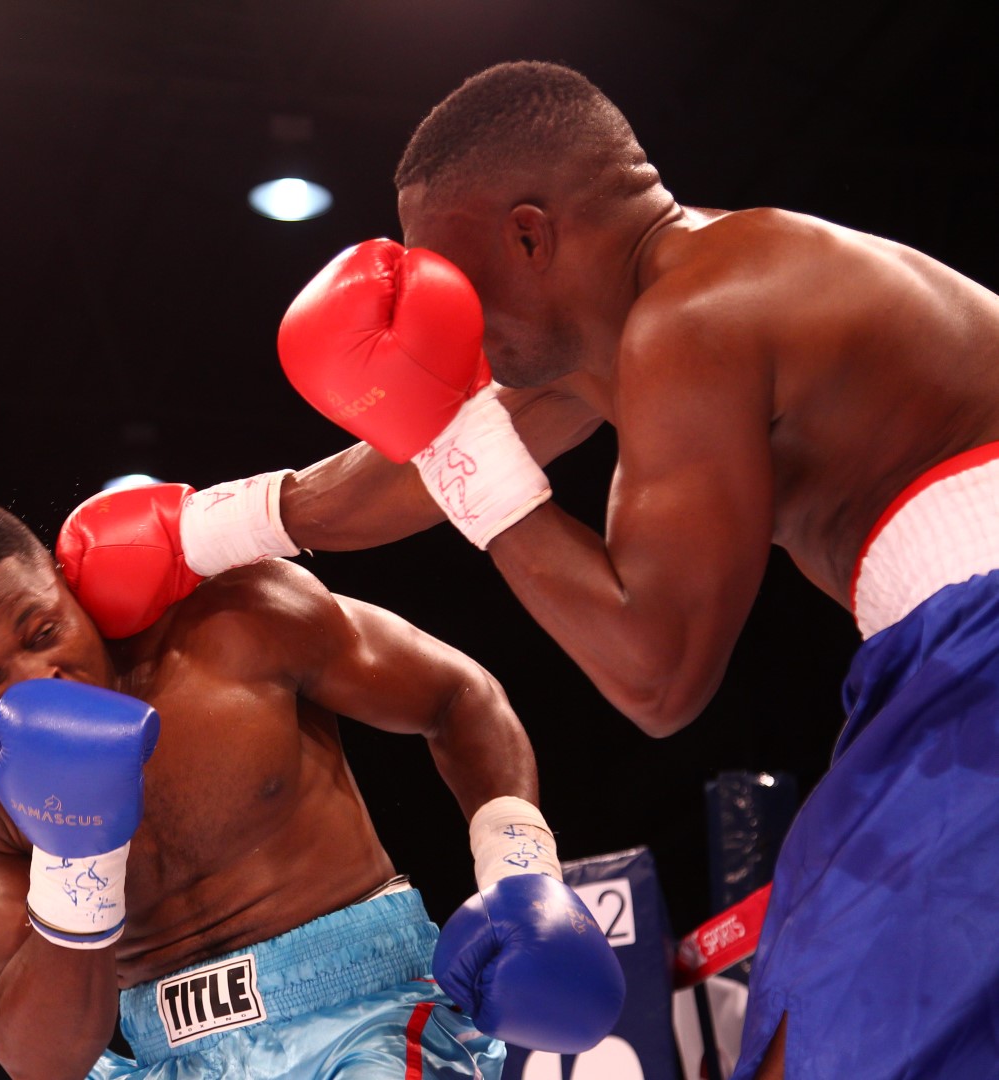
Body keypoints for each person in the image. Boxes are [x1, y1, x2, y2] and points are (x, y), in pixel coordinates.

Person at [93, 60, 999, 1080]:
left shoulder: (697, 314)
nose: (446, 322)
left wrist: (459, 450)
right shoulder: (666, 311)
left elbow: (657, 675)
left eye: (452, 279)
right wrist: (198, 532)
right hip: (945, 651)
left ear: (530, 235)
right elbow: (419, 464)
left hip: (978, 641)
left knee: (842, 1013)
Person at [0, 494, 623, 1080]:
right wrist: (77, 860)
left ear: (65, 584)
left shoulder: (234, 621)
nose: (41, 677)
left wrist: (520, 869)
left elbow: (455, 695)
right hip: (166, 1055)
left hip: (369, 1014)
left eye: (44, 631)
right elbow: (39, 1060)